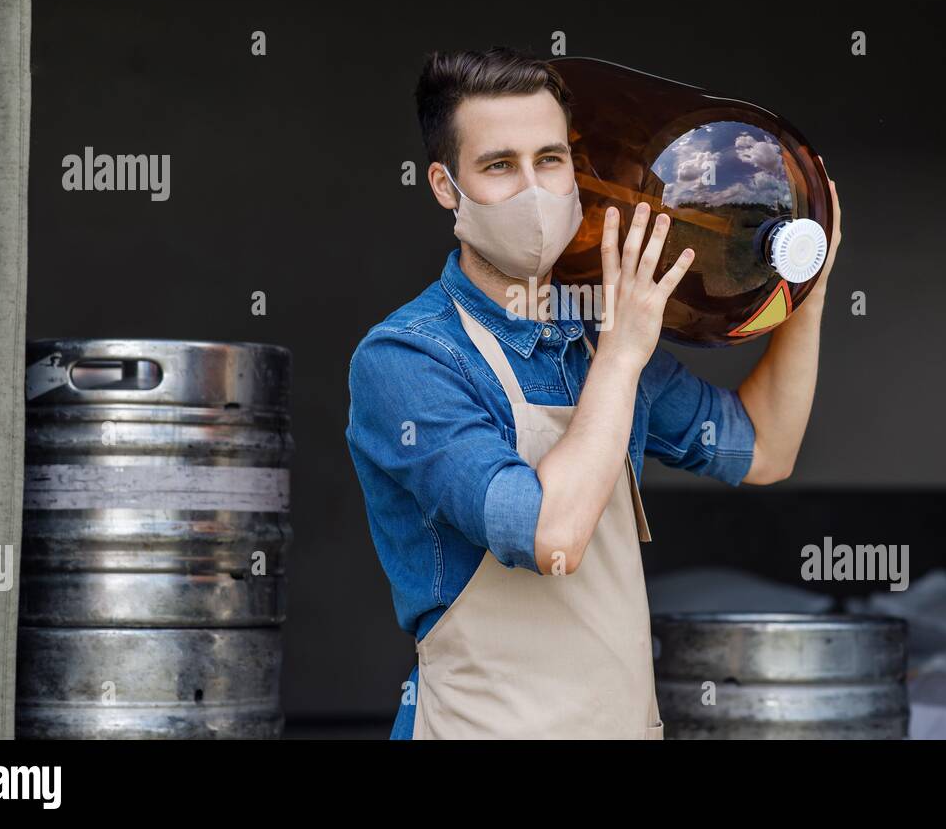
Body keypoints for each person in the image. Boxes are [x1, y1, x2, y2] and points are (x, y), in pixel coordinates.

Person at [345, 45, 842, 739]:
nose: (535, 191)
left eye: (550, 160)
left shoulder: (599, 335)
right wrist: (625, 354)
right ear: (442, 184)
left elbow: (766, 449)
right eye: (498, 166)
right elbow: (552, 536)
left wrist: (804, 297)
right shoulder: (407, 359)